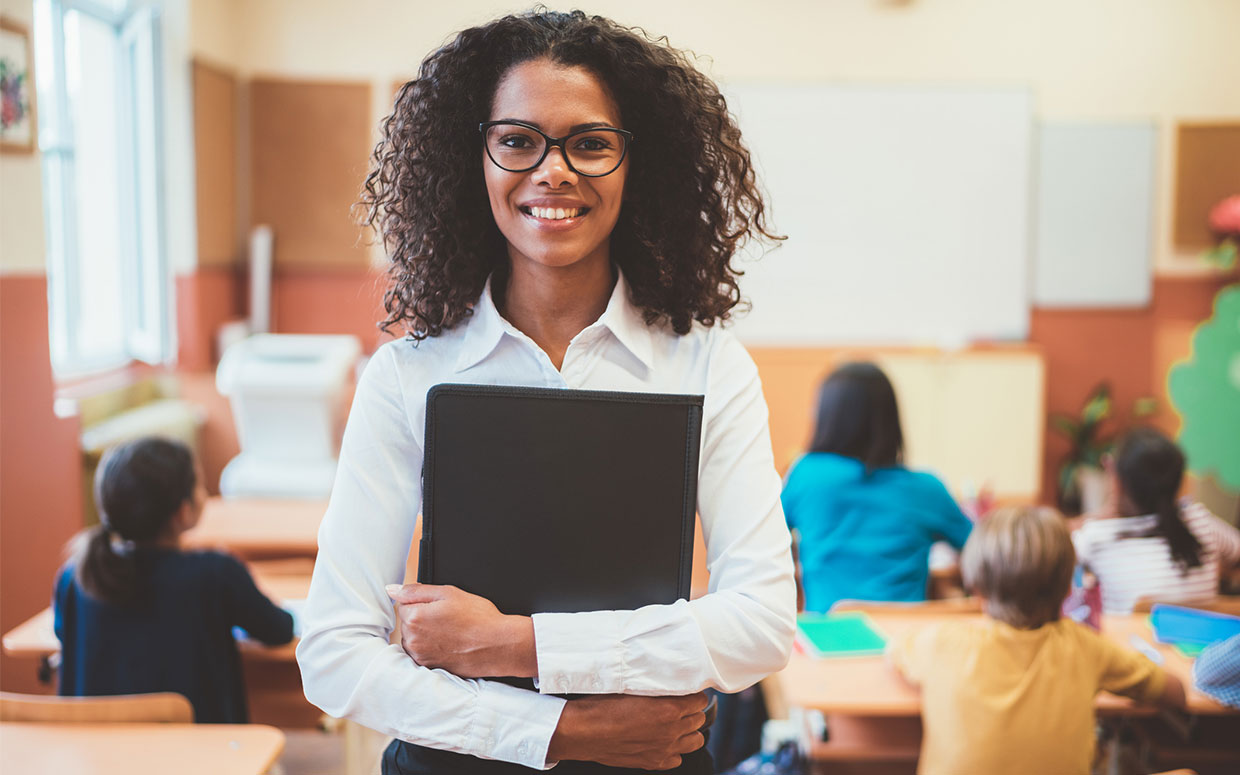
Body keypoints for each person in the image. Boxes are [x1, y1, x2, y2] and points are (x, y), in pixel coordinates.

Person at [295, 9, 796, 774]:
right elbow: (333, 651)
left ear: (638, 164)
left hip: (656, 758)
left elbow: (760, 622)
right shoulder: (407, 377)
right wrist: (562, 732)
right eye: (518, 140)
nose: (552, 170)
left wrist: (512, 644)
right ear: (479, 160)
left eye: (589, 143)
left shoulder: (706, 365)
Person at [888, 506, 1187, 775]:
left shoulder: (942, 643)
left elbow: (898, 650)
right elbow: (1175, 694)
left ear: (976, 587)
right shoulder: (1087, 647)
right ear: (1067, 590)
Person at [54, 437, 294, 723]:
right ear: (183, 512)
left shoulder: (76, 576)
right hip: (200, 758)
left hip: (102, 757)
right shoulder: (216, 574)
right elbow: (279, 629)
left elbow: (62, 634)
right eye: (199, 486)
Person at [781, 361, 973, 613]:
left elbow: (764, 543)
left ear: (827, 417)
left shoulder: (807, 474)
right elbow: (985, 551)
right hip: (905, 640)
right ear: (890, 419)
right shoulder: (927, 489)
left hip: (828, 640)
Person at [1072, 426, 1240, 614]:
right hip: (1204, 643)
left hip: (1124, 642)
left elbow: (1049, 548)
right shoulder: (1201, 522)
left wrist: (1100, 514)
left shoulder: (1098, 537)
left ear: (1119, 482)